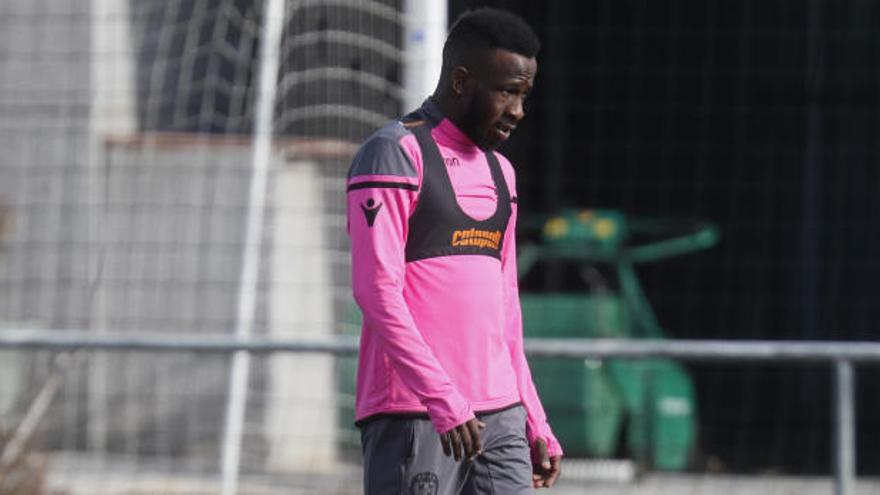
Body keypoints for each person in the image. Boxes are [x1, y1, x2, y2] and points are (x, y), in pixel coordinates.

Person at [346, 7, 562, 494]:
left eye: (524, 95)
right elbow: (376, 291)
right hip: (415, 411)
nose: (518, 111)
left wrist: (534, 416)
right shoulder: (393, 152)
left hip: (500, 415)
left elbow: (507, 311)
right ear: (462, 81)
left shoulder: (502, 173)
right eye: (507, 91)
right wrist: (443, 398)